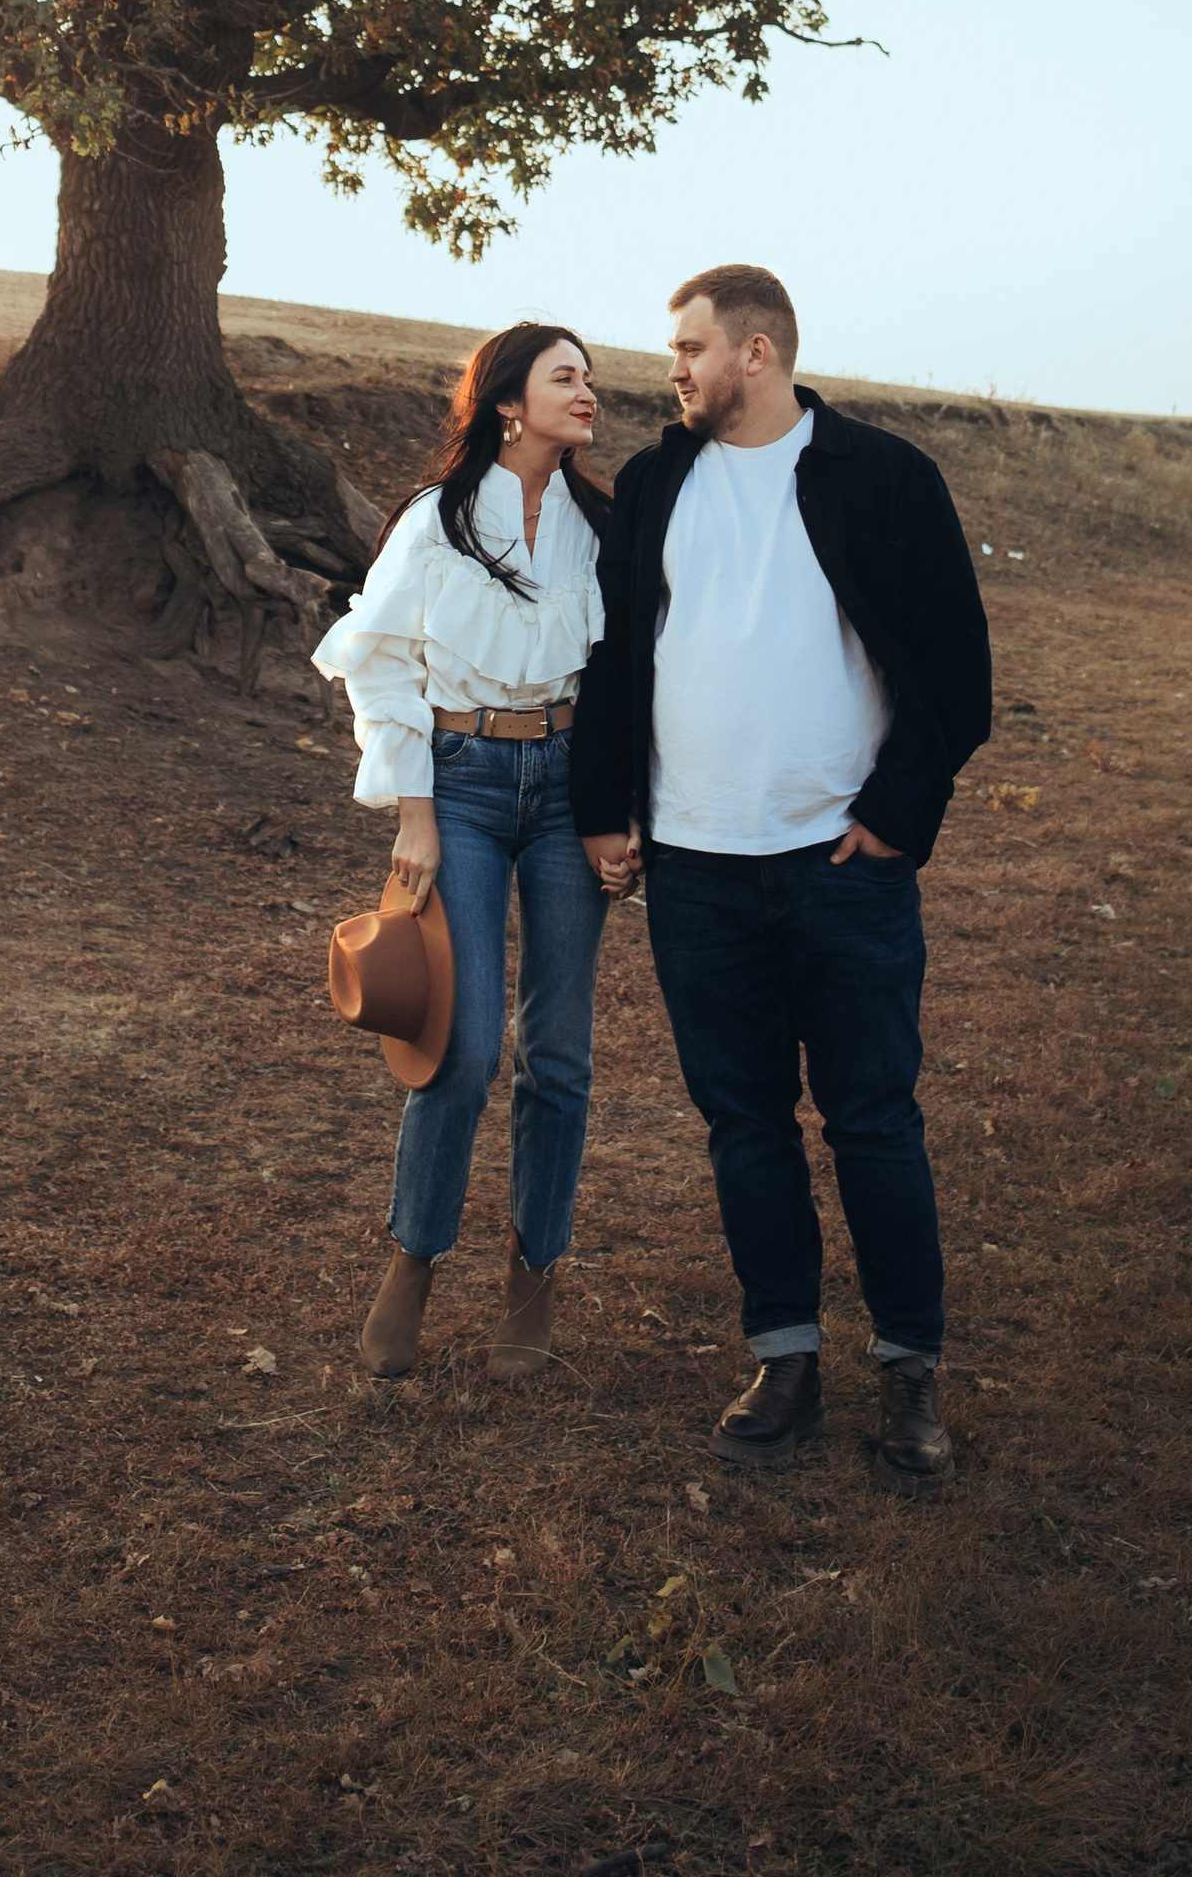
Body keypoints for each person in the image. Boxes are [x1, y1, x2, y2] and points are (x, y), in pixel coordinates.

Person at [570, 263, 991, 1492]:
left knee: (872, 1120)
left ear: (755, 351)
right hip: (696, 868)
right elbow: (613, 656)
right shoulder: (656, 482)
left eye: (689, 347)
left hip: (838, 865)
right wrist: (606, 810)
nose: (673, 369)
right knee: (744, 1123)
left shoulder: (885, 475)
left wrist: (897, 814)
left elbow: (955, 668)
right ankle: (785, 1358)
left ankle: (908, 1370)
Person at [313, 322, 614, 1386]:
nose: (588, 391)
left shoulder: (599, 522)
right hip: (464, 783)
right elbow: (381, 660)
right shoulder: (437, 518)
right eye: (566, 376)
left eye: (590, 377)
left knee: (559, 1052)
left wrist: (619, 810)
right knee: (464, 1042)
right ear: (508, 403)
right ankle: (415, 1258)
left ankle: (534, 1276)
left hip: (572, 786)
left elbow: (626, 677)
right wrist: (415, 809)